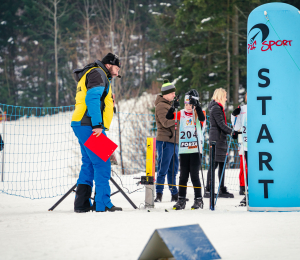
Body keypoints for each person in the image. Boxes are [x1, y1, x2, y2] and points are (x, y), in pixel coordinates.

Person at [71, 53, 122, 213]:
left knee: (88, 163)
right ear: (109, 65)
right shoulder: (98, 74)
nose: (119, 70)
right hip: (89, 124)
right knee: (103, 162)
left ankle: (82, 203)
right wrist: (98, 124)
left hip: (81, 122)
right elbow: (92, 99)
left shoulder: (92, 72)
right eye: (117, 66)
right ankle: (102, 203)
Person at [166, 89, 206, 210]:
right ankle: (181, 200)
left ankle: (198, 199)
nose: (188, 107)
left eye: (190, 104)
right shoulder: (181, 113)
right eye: (186, 104)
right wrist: (173, 107)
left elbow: (202, 118)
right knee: (183, 176)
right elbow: (168, 116)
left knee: (194, 175)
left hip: (195, 149)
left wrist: (197, 106)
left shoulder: (198, 112)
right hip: (184, 149)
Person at [205, 88, 235, 198]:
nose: (226, 99)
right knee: (214, 164)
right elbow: (221, 124)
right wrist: (232, 132)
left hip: (221, 139)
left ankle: (222, 188)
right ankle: (208, 189)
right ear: (221, 96)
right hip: (217, 139)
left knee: (221, 164)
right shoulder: (216, 108)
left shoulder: (218, 108)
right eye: (225, 96)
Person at [154, 79, 179, 202]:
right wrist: (179, 121)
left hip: (173, 141)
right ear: (166, 94)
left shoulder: (169, 105)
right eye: (172, 93)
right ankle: (158, 194)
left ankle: (174, 193)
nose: (174, 95)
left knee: (173, 169)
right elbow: (165, 122)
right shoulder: (161, 106)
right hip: (165, 141)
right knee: (163, 168)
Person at [231, 93, 248, 206]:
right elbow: (236, 127)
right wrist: (234, 115)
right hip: (246, 143)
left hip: (260, 142)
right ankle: (245, 190)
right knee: (245, 166)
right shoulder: (243, 108)